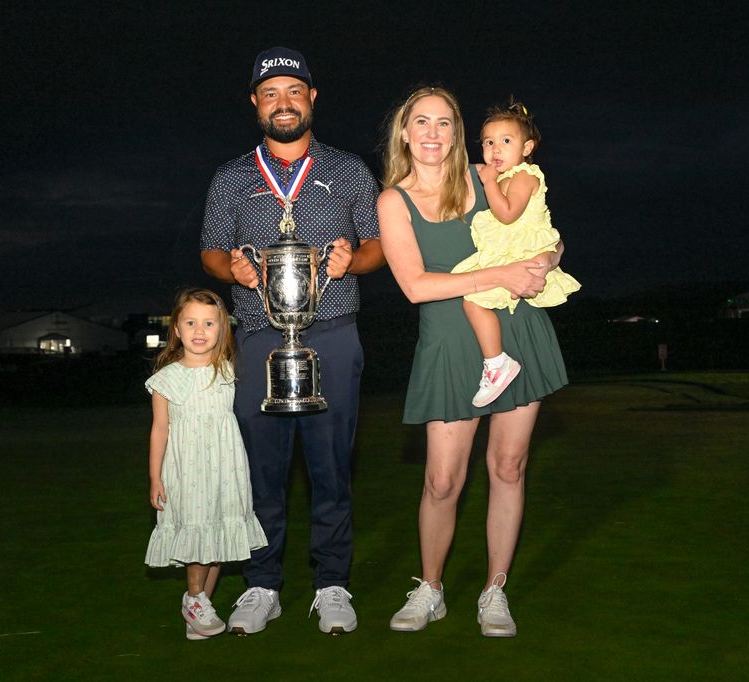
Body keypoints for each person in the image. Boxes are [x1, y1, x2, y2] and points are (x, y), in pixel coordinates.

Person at [199, 46, 383, 635]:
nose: (284, 103)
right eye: (271, 93)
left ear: (312, 99)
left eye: (294, 91)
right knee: (262, 470)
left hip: (332, 332)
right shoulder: (231, 177)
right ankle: (262, 584)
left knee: (331, 467)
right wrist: (233, 270)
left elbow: (380, 246)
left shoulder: (349, 169)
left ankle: (332, 583)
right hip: (256, 335)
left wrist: (354, 258)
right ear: (256, 103)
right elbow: (210, 251)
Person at [376, 86, 568, 637]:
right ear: (405, 133)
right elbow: (414, 286)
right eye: (421, 122)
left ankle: (494, 591)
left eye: (444, 123)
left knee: (509, 467)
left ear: (456, 133)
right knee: (441, 480)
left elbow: (543, 231)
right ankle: (431, 588)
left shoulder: (488, 178)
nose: (433, 133)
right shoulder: (393, 201)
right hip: (448, 345)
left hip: (517, 331)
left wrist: (548, 258)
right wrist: (500, 275)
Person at [143, 287, 268, 641]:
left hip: (225, 468)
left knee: (217, 539)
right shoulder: (167, 379)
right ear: (177, 330)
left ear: (222, 329)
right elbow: (159, 430)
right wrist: (155, 478)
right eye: (191, 322)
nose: (200, 330)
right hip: (189, 469)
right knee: (198, 532)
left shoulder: (228, 372)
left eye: (209, 323)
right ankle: (195, 598)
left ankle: (200, 609)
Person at [452, 98, 581, 407]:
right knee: (471, 298)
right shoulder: (508, 177)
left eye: (506, 141)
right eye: (488, 142)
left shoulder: (525, 175)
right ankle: (496, 360)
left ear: (527, 148)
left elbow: (507, 213)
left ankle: (496, 363)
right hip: (511, 254)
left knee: (471, 300)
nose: (495, 149)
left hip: (520, 255)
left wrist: (489, 182)